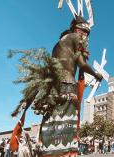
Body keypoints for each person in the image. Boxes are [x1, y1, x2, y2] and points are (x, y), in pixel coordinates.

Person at [39, 16, 102, 157]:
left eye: (86, 33)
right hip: (67, 85)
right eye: (84, 32)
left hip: (53, 89)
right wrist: (96, 74)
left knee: (52, 123)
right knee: (67, 126)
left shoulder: (57, 44)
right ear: (77, 30)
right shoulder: (75, 37)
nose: (85, 36)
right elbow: (82, 64)